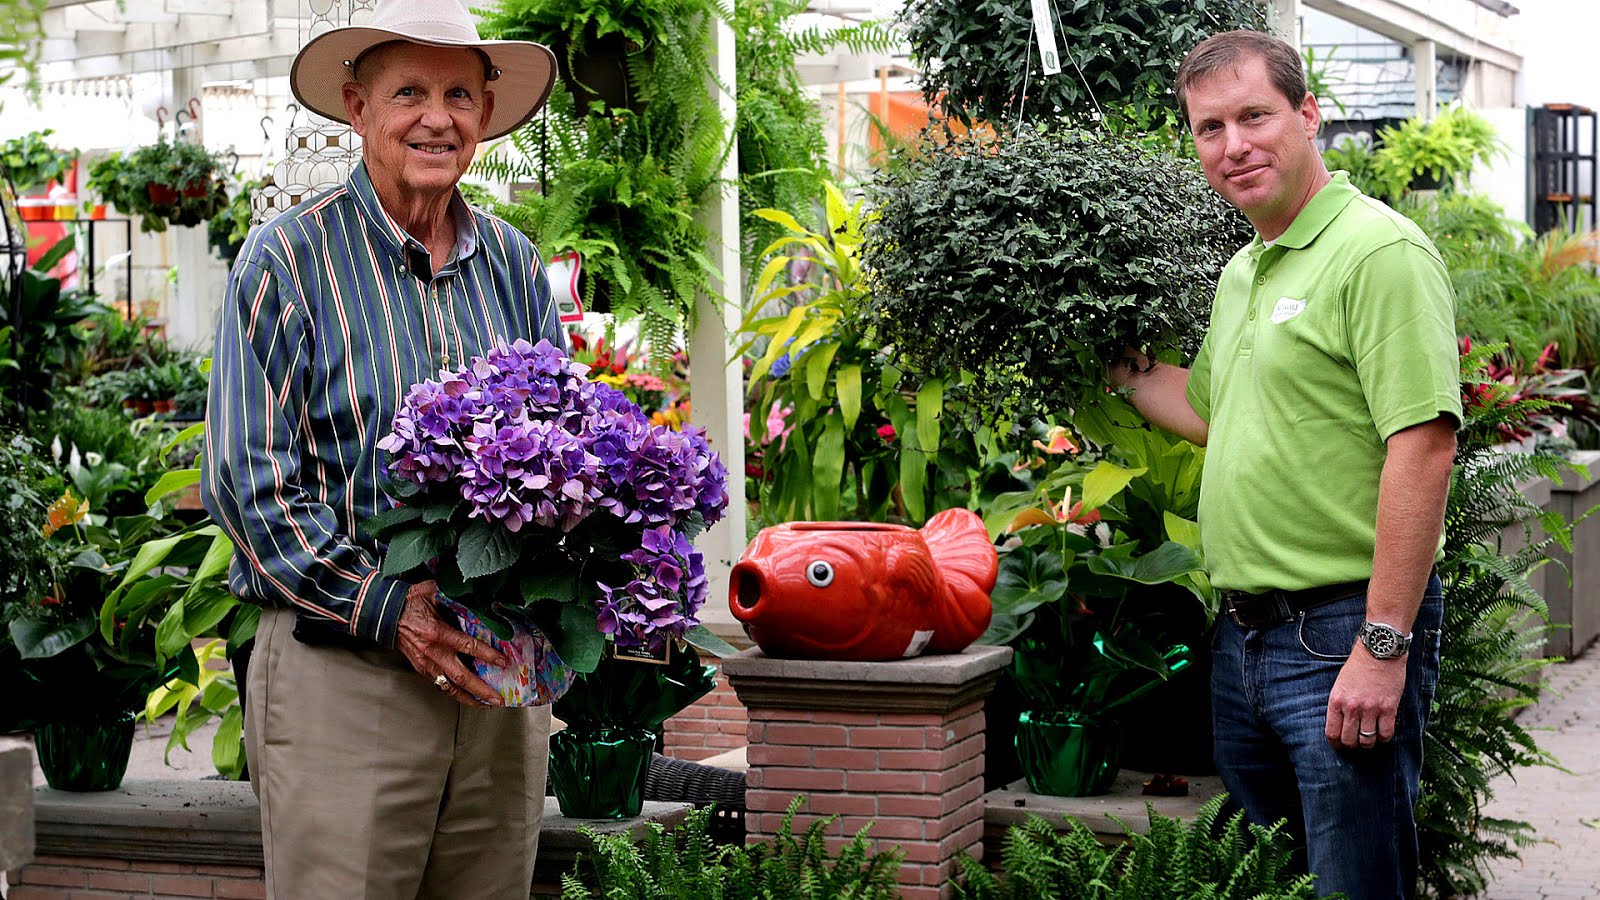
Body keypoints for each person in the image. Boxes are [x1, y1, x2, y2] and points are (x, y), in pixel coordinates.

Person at [201, 1, 566, 896]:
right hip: (345, 676)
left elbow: (565, 448)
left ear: (485, 110)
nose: (436, 117)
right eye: (409, 91)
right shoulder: (285, 261)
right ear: (358, 106)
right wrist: (389, 608)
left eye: (457, 93)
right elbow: (250, 482)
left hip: (495, 673)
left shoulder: (516, 264)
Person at [1109, 30, 1461, 899]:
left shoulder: (1379, 253)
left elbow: (1424, 447)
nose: (1234, 146)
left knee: (1354, 885)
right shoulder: (1245, 269)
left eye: (1255, 116)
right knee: (1275, 885)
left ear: (1308, 114)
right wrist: (1108, 363)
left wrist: (1383, 648)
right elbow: (1208, 411)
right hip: (1247, 639)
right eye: (1209, 128)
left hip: (1343, 633)